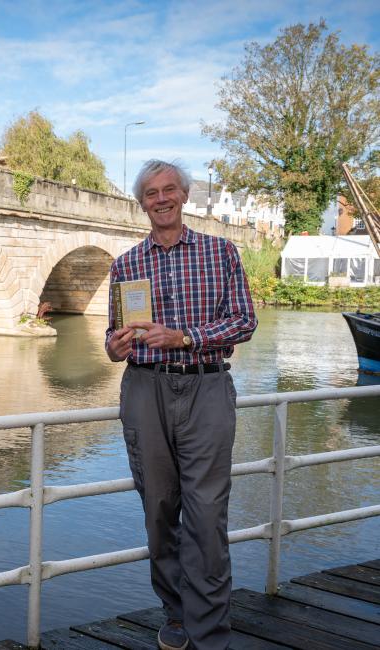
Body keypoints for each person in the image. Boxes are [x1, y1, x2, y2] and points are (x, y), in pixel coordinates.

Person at [105, 160, 257, 650]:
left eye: (170, 189)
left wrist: (187, 337)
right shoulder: (125, 264)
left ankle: (209, 632)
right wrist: (113, 347)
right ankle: (175, 615)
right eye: (151, 193)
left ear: (185, 196)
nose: (162, 199)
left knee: (207, 514)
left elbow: (244, 322)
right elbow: (111, 334)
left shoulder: (221, 252)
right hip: (144, 389)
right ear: (142, 203)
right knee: (159, 510)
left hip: (206, 387)